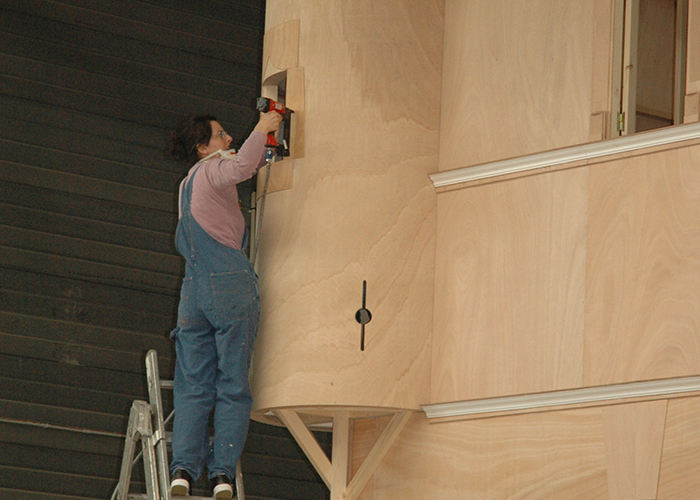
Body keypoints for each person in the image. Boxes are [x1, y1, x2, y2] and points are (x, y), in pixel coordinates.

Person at [166, 110, 282, 499]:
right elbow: (243, 165)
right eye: (220, 135)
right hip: (228, 282)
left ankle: (181, 469)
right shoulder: (212, 168)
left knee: (193, 385)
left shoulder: (185, 186)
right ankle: (222, 476)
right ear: (203, 147)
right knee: (232, 385)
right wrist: (264, 128)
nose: (228, 140)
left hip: (192, 290)